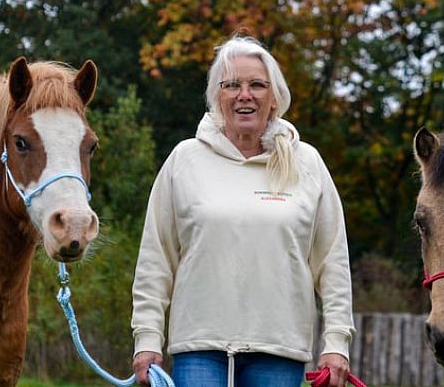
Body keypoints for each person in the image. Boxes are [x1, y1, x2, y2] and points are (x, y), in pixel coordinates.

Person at [131, 35, 355, 387]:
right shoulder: (184, 160)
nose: (244, 94)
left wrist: (337, 343)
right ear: (217, 96)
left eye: (257, 85)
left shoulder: (307, 163)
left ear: (274, 97)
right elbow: (156, 258)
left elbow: (332, 262)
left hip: (279, 351)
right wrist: (146, 338)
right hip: (198, 349)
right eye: (232, 84)